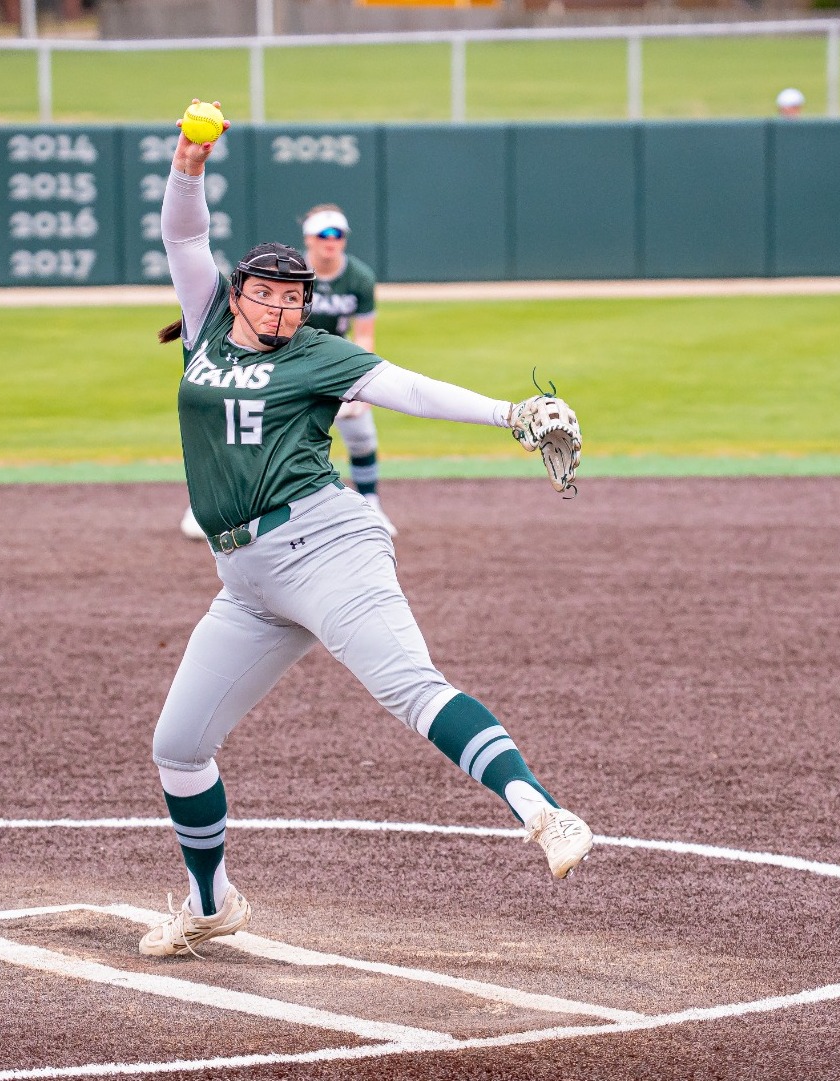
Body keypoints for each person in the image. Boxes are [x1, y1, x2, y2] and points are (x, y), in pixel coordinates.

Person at [141, 101, 593, 959]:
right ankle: (213, 903)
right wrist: (188, 162)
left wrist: (511, 412)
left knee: (410, 688)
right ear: (238, 293)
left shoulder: (318, 351)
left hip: (324, 545)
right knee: (178, 746)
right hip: (245, 579)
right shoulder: (204, 322)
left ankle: (543, 812)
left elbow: (410, 388)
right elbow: (181, 234)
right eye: (265, 292)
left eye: (291, 296)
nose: (278, 306)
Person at [176, 204, 394, 539]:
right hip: (279, 361)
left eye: (338, 234)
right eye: (324, 234)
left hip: (330, 363)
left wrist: (360, 382)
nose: (331, 240)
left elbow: (364, 335)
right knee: (242, 430)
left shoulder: (359, 277)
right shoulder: (288, 274)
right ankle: (205, 502)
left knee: (361, 432)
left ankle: (371, 500)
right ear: (309, 237)